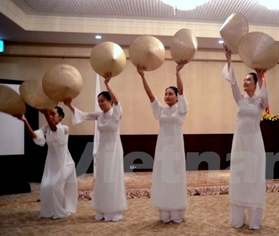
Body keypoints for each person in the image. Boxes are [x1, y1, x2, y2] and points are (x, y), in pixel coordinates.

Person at [64, 73, 127, 222]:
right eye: (99, 101)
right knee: (102, 178)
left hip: (114, 149)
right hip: (103, 149)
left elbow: (118, 101)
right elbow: (83, 115)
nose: (100, 104)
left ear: (109, 101)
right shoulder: (99, 116)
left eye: (103, 101)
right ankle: (102, 209)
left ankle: (113, 210)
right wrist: (69, 105)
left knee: (112, 178)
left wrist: (107, 83)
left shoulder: (116, 113)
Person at [222, 45, 268, 230]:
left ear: (255, 83)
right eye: (244, 80)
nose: (245, 82)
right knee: (240, 176)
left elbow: (266, 97)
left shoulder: (260, 102)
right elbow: (232, 82)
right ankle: (238, 219)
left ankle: (254, 220)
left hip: (255, 143)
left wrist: (262, 77)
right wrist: (229, 59)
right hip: (240, 144)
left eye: (249, 79)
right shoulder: (239, 99)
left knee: (254, 177)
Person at [137, 62, 188, 223]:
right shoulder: (161, 110)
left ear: (177, 96)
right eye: (165, 94)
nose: (167, 96)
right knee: (164, 178)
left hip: (176, 149)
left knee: (175, 178)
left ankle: (177, 212)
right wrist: (142, 76)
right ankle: (165, 210)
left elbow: (182, 90)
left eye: (170, 94)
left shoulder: (181, 108)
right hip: (163, 149)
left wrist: (177, 73)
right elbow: (151, 96)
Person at [15, 107, 77, 219]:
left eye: (53, 114)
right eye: (49, 115)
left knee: (55, 186)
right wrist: (25, 120)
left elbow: (55, 130)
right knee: (45, 186)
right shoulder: (46, 128)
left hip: (66, 164)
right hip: (52, 165)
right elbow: (34, 135)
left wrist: (45, 114)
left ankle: (60, 211)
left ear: (61, 116)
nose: (51, 116)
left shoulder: (65, 128)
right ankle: (50, 211)